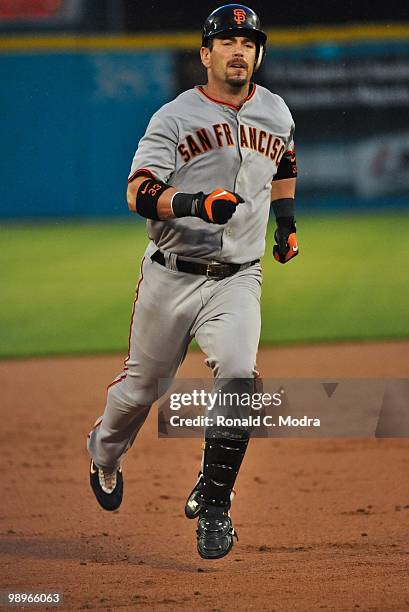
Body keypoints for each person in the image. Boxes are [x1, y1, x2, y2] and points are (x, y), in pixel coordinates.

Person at [87, 3, 298, 560]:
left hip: (238, 280)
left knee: (238, 375)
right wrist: (194, 203)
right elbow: (137, 192)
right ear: (205, 55)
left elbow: (285, 165)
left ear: (258, 54)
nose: (238, 50)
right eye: (226, 42)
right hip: (170, 276)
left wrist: (287, 225)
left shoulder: (276, 112)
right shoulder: (174, 118)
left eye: (248, 43)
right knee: (141, 392)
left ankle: (216, 505)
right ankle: (103, 455)